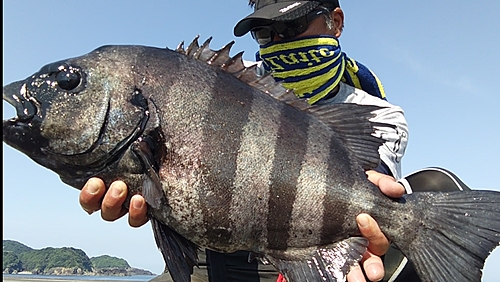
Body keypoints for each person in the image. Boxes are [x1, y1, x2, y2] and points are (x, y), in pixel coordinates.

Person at [81, 0, 412, 281]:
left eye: (293, 25)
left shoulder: (376, 114)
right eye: (265, 32)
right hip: (206, 255)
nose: (279, 40)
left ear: (335, 22)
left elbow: (372, 179)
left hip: (288, 259)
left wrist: (371, 210)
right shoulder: (229, 83)